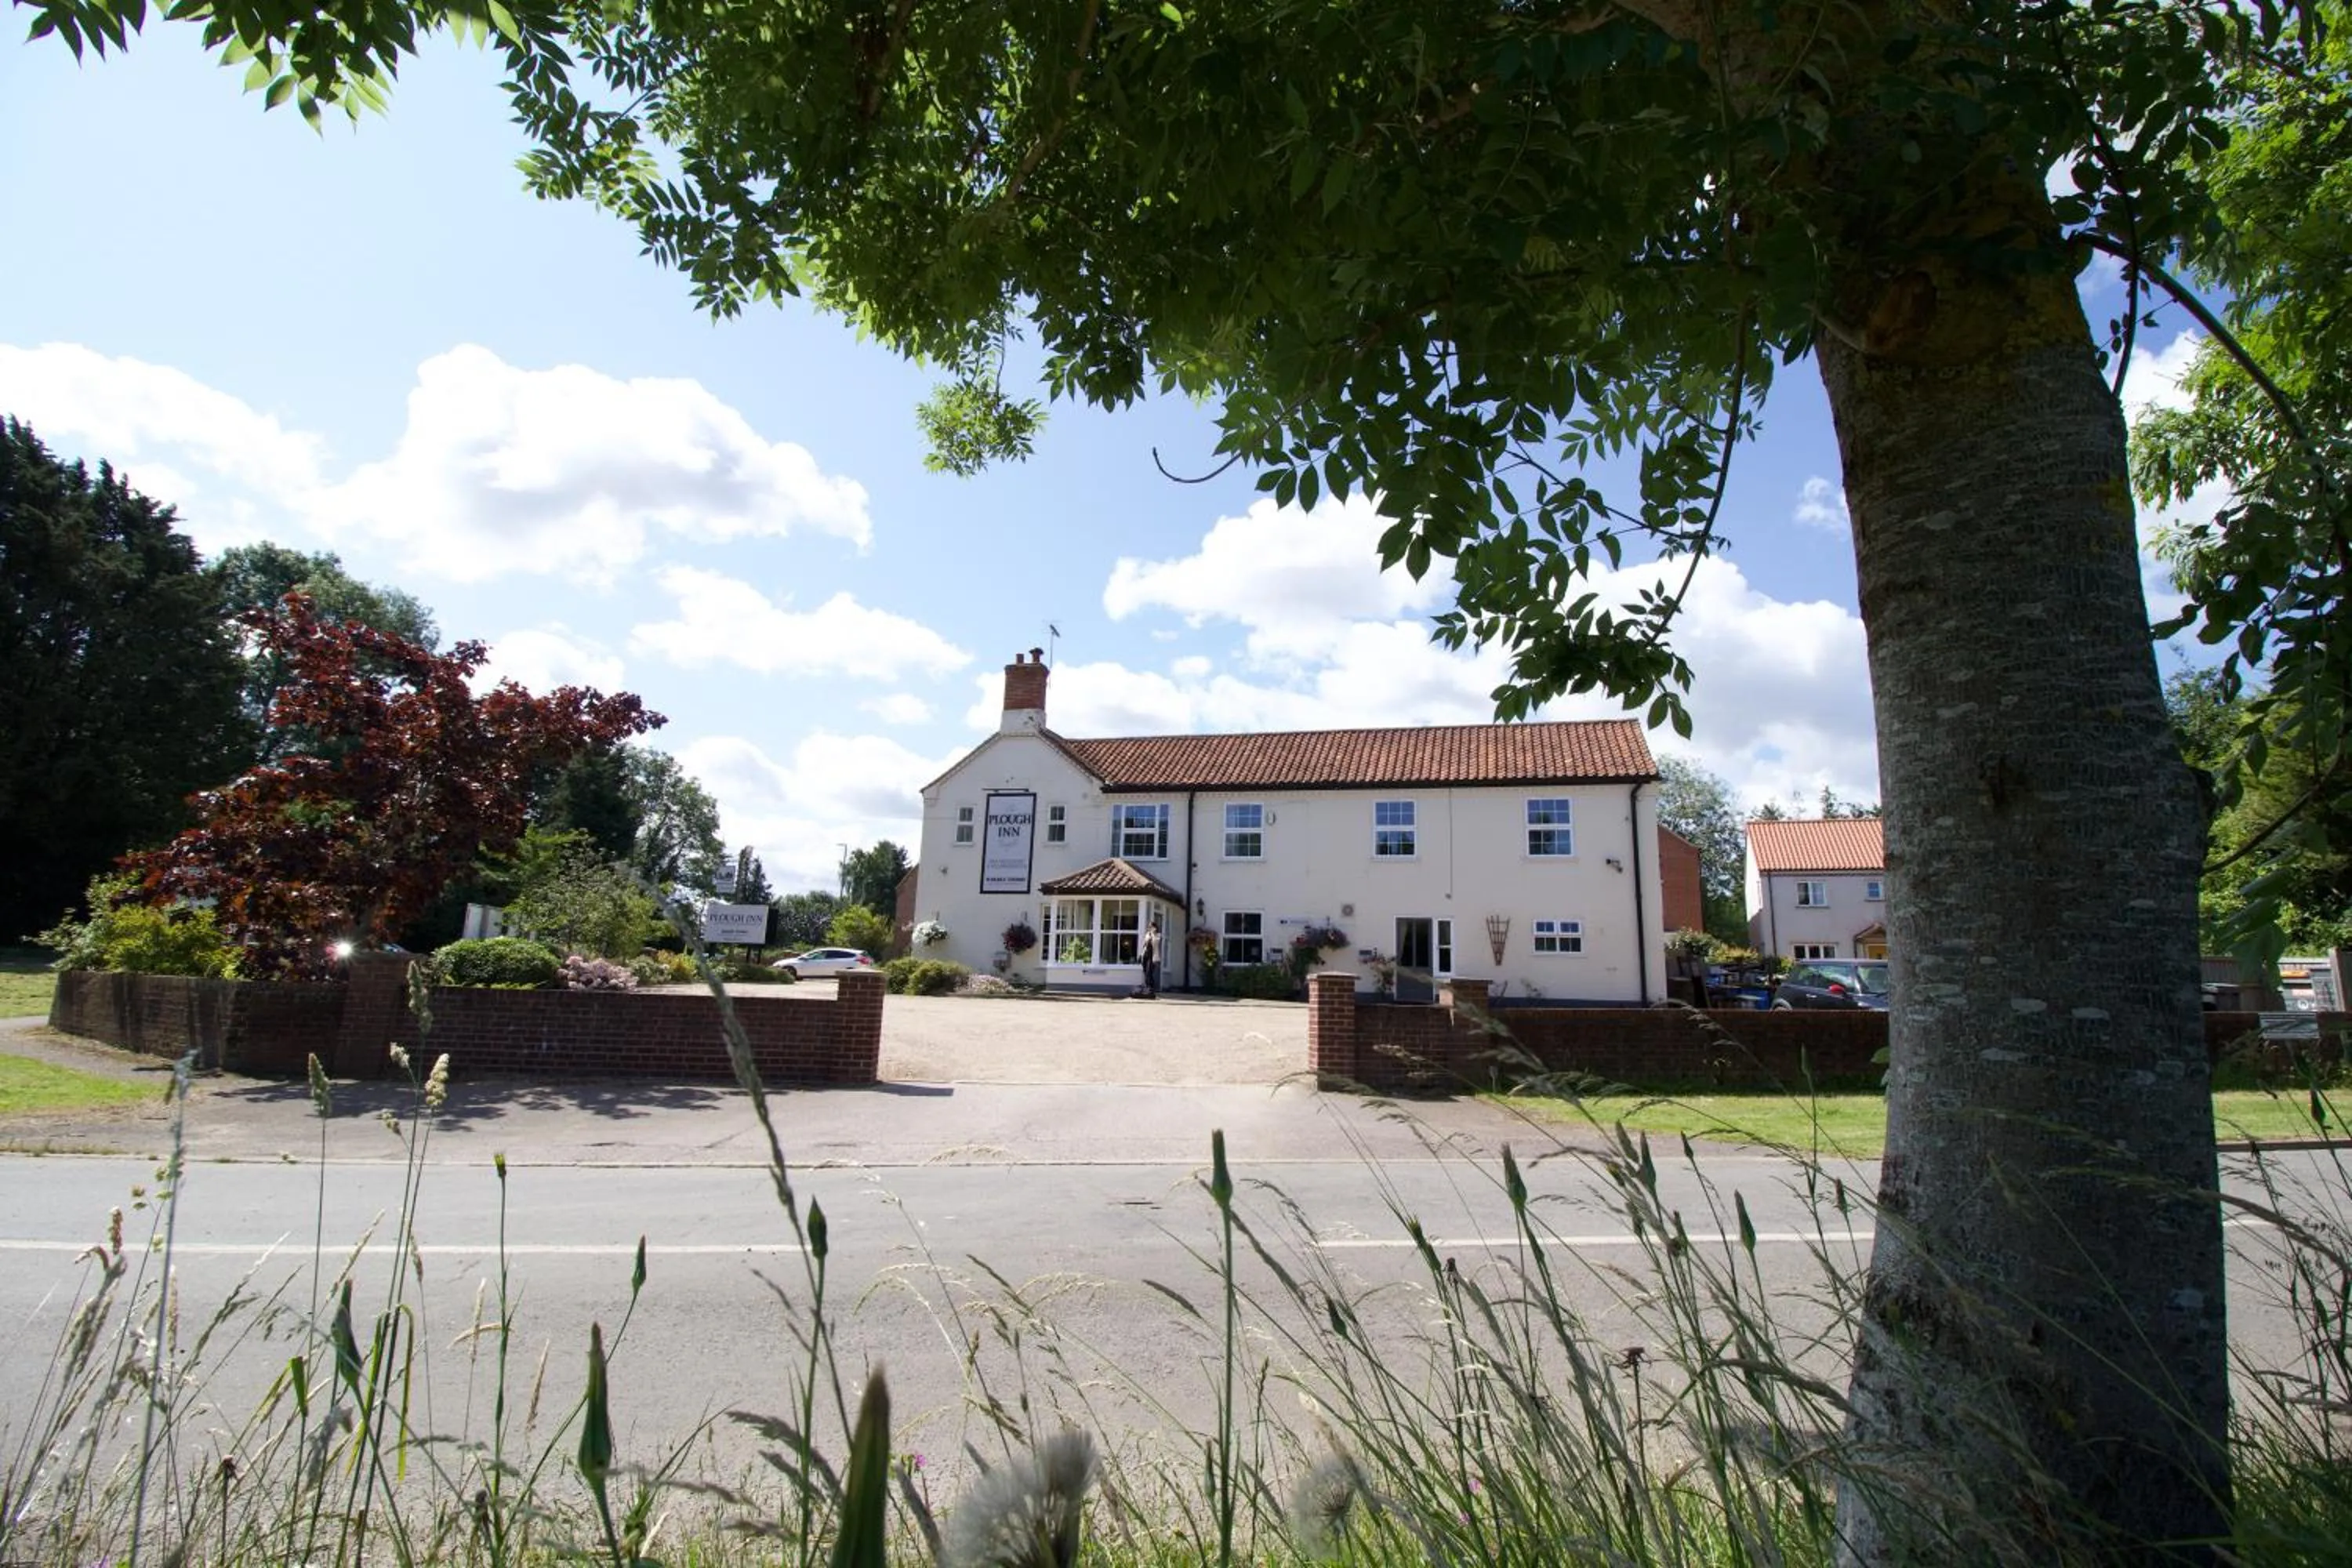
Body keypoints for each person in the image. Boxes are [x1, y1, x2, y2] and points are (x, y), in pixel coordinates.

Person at [1139, 920, 1162, 999]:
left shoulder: (1158, 935)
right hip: (1146, 955)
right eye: (1149, 927)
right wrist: (1141, 954)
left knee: (1150, 972)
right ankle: (1146, 990)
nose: (1149, 928)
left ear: (1155, 928)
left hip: (1153, 956)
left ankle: (1152, 990)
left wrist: (1152, 934)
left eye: (1151, 927)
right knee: (1145, 972)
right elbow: (1144, 945)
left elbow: (1155, 943)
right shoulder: (1147, 935)